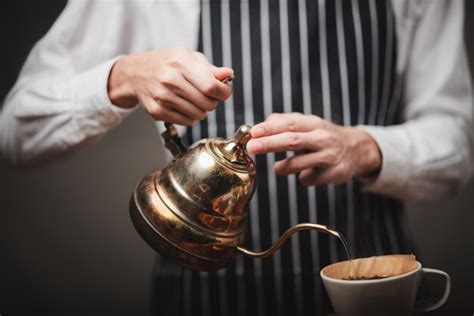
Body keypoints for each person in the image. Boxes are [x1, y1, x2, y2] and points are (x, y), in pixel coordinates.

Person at [0, 0, 471, 315]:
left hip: (371, 288)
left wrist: (366, 148)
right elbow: (17, 130)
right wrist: (122, 77)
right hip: (203, 296)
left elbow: (458, 142)